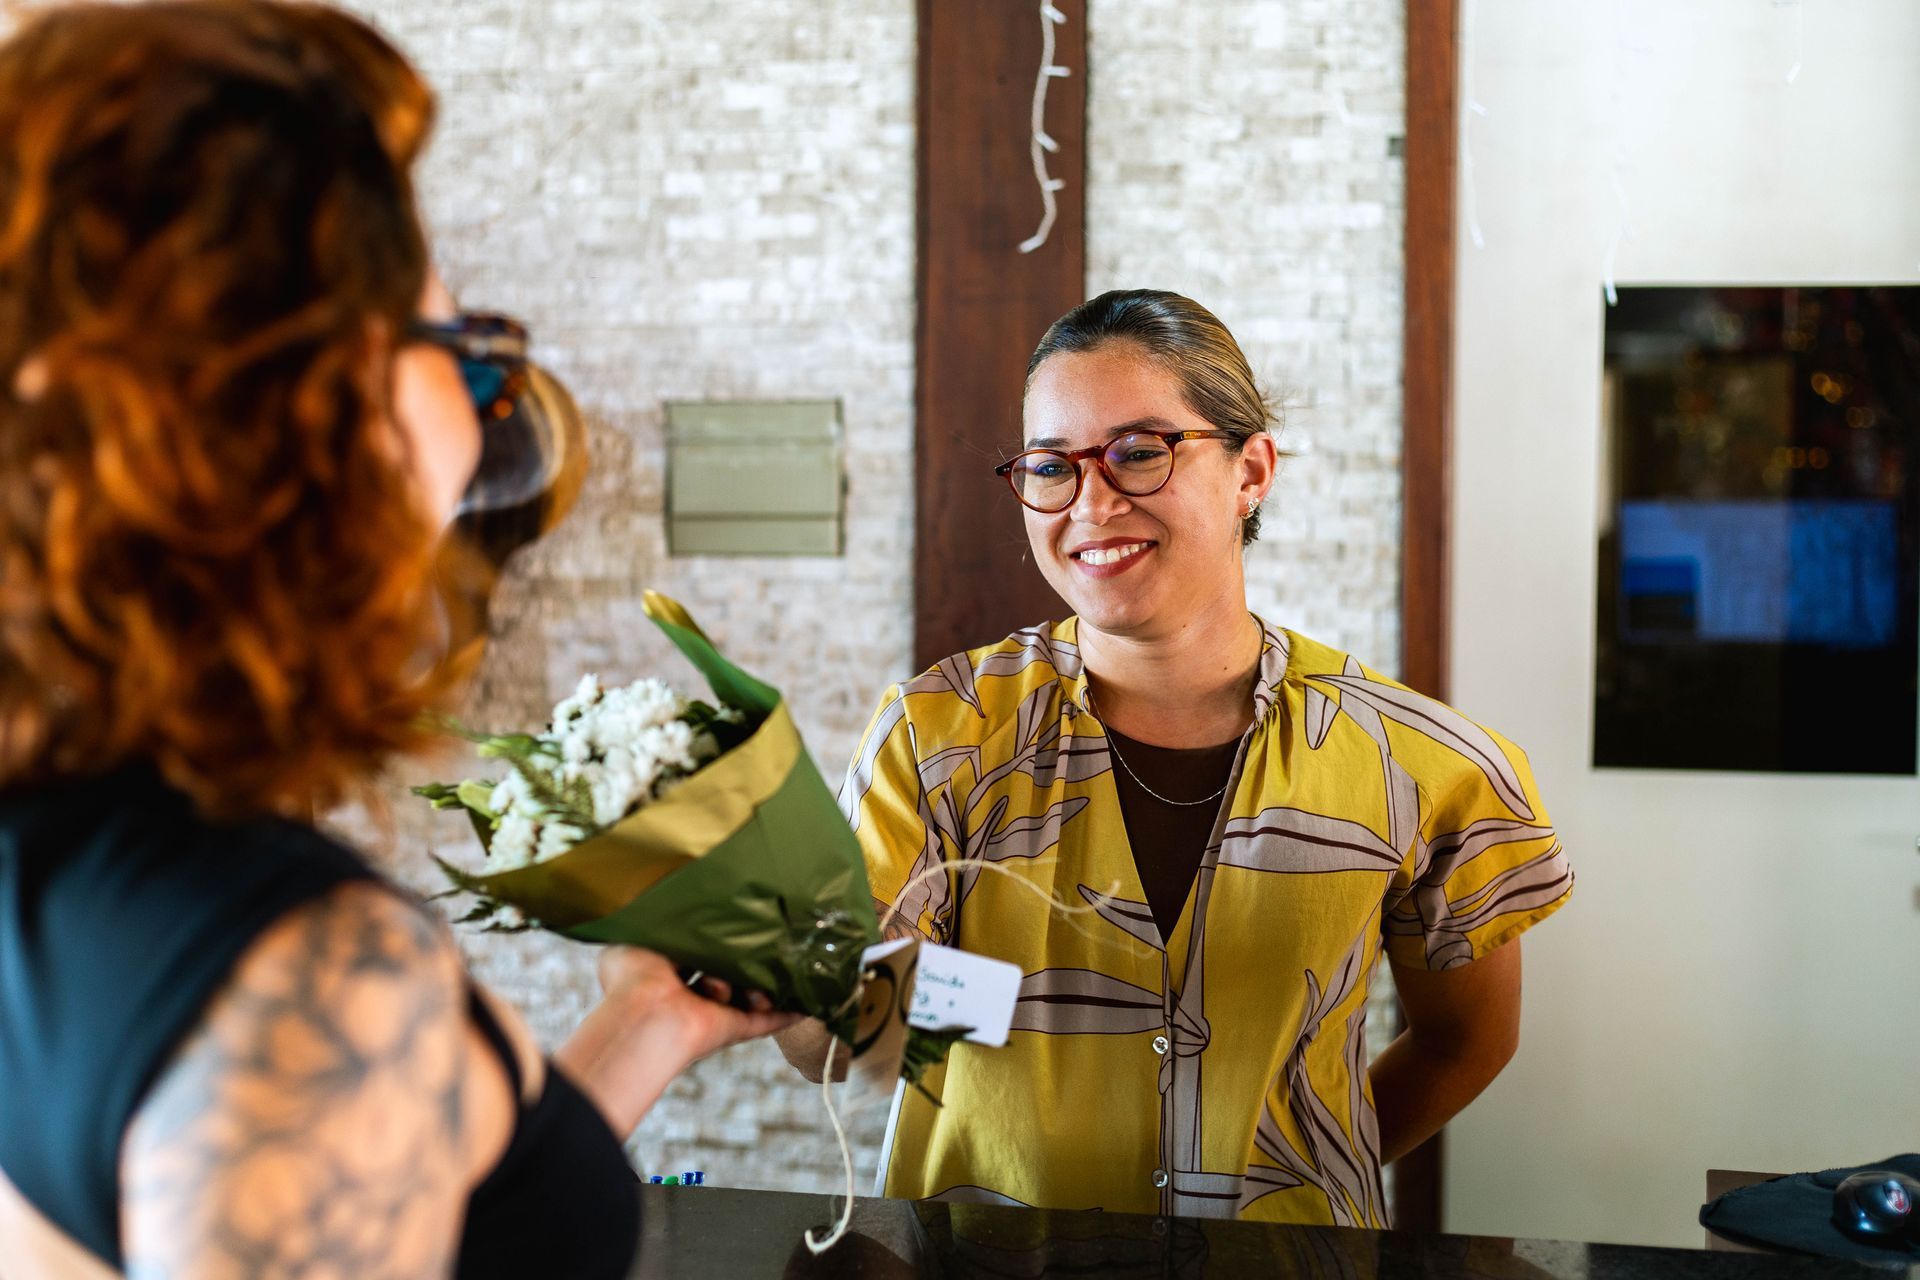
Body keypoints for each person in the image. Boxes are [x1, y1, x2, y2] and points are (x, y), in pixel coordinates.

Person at [0, 4, 792, 1277]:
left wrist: (645, 1025)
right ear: (311, 405)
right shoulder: (302, 982)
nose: (482, 433)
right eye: (469, 349)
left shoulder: (65, 854)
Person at [779, 289, 1574, 1226]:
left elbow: (1466, 1040)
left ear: (1252, 471)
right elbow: (827, 1040)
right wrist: (875, 985)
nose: (1092, 501)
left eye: (1140, 452)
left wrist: (1305, 1166)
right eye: (1051, 466)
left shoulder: (1421, 761)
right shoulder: (937, 736)